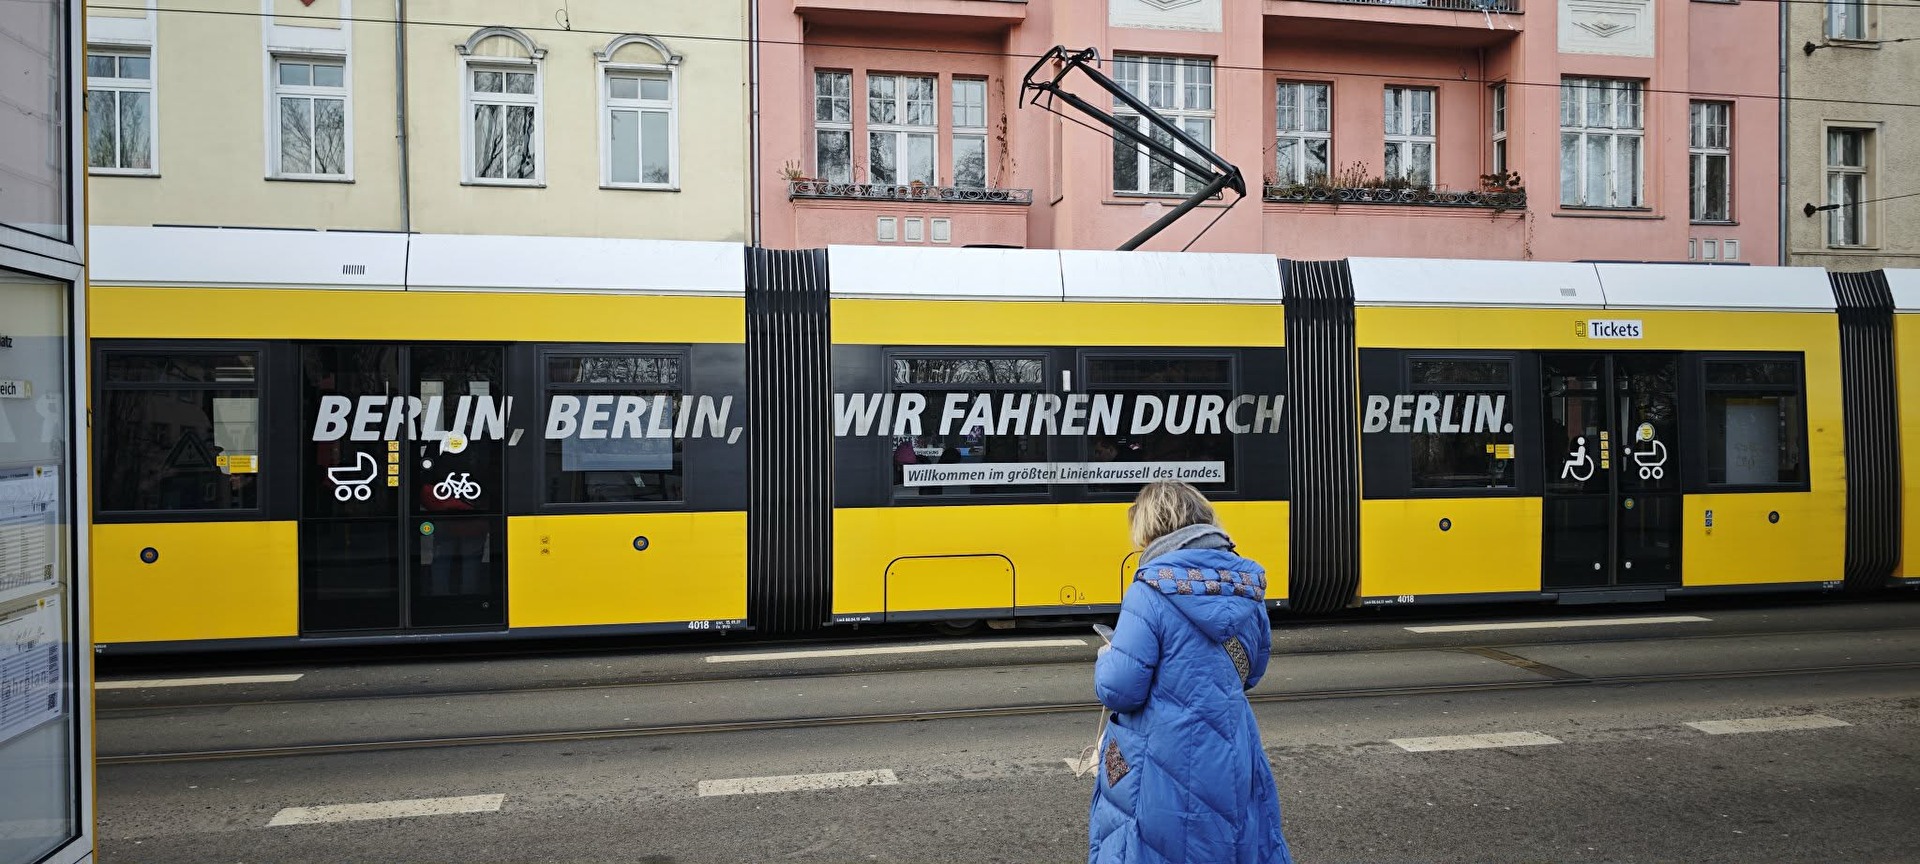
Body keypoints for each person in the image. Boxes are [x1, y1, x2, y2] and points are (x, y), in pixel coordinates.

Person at [1088, 480, 1291, 864]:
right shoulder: (1245, 586)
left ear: (1151, 527)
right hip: (1231, 743)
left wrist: (1107, 656)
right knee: (1227, 840)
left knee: (1160, 846)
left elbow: (1120, 689)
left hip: (1164, 752)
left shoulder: (1148, 590)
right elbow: (1251, 671)